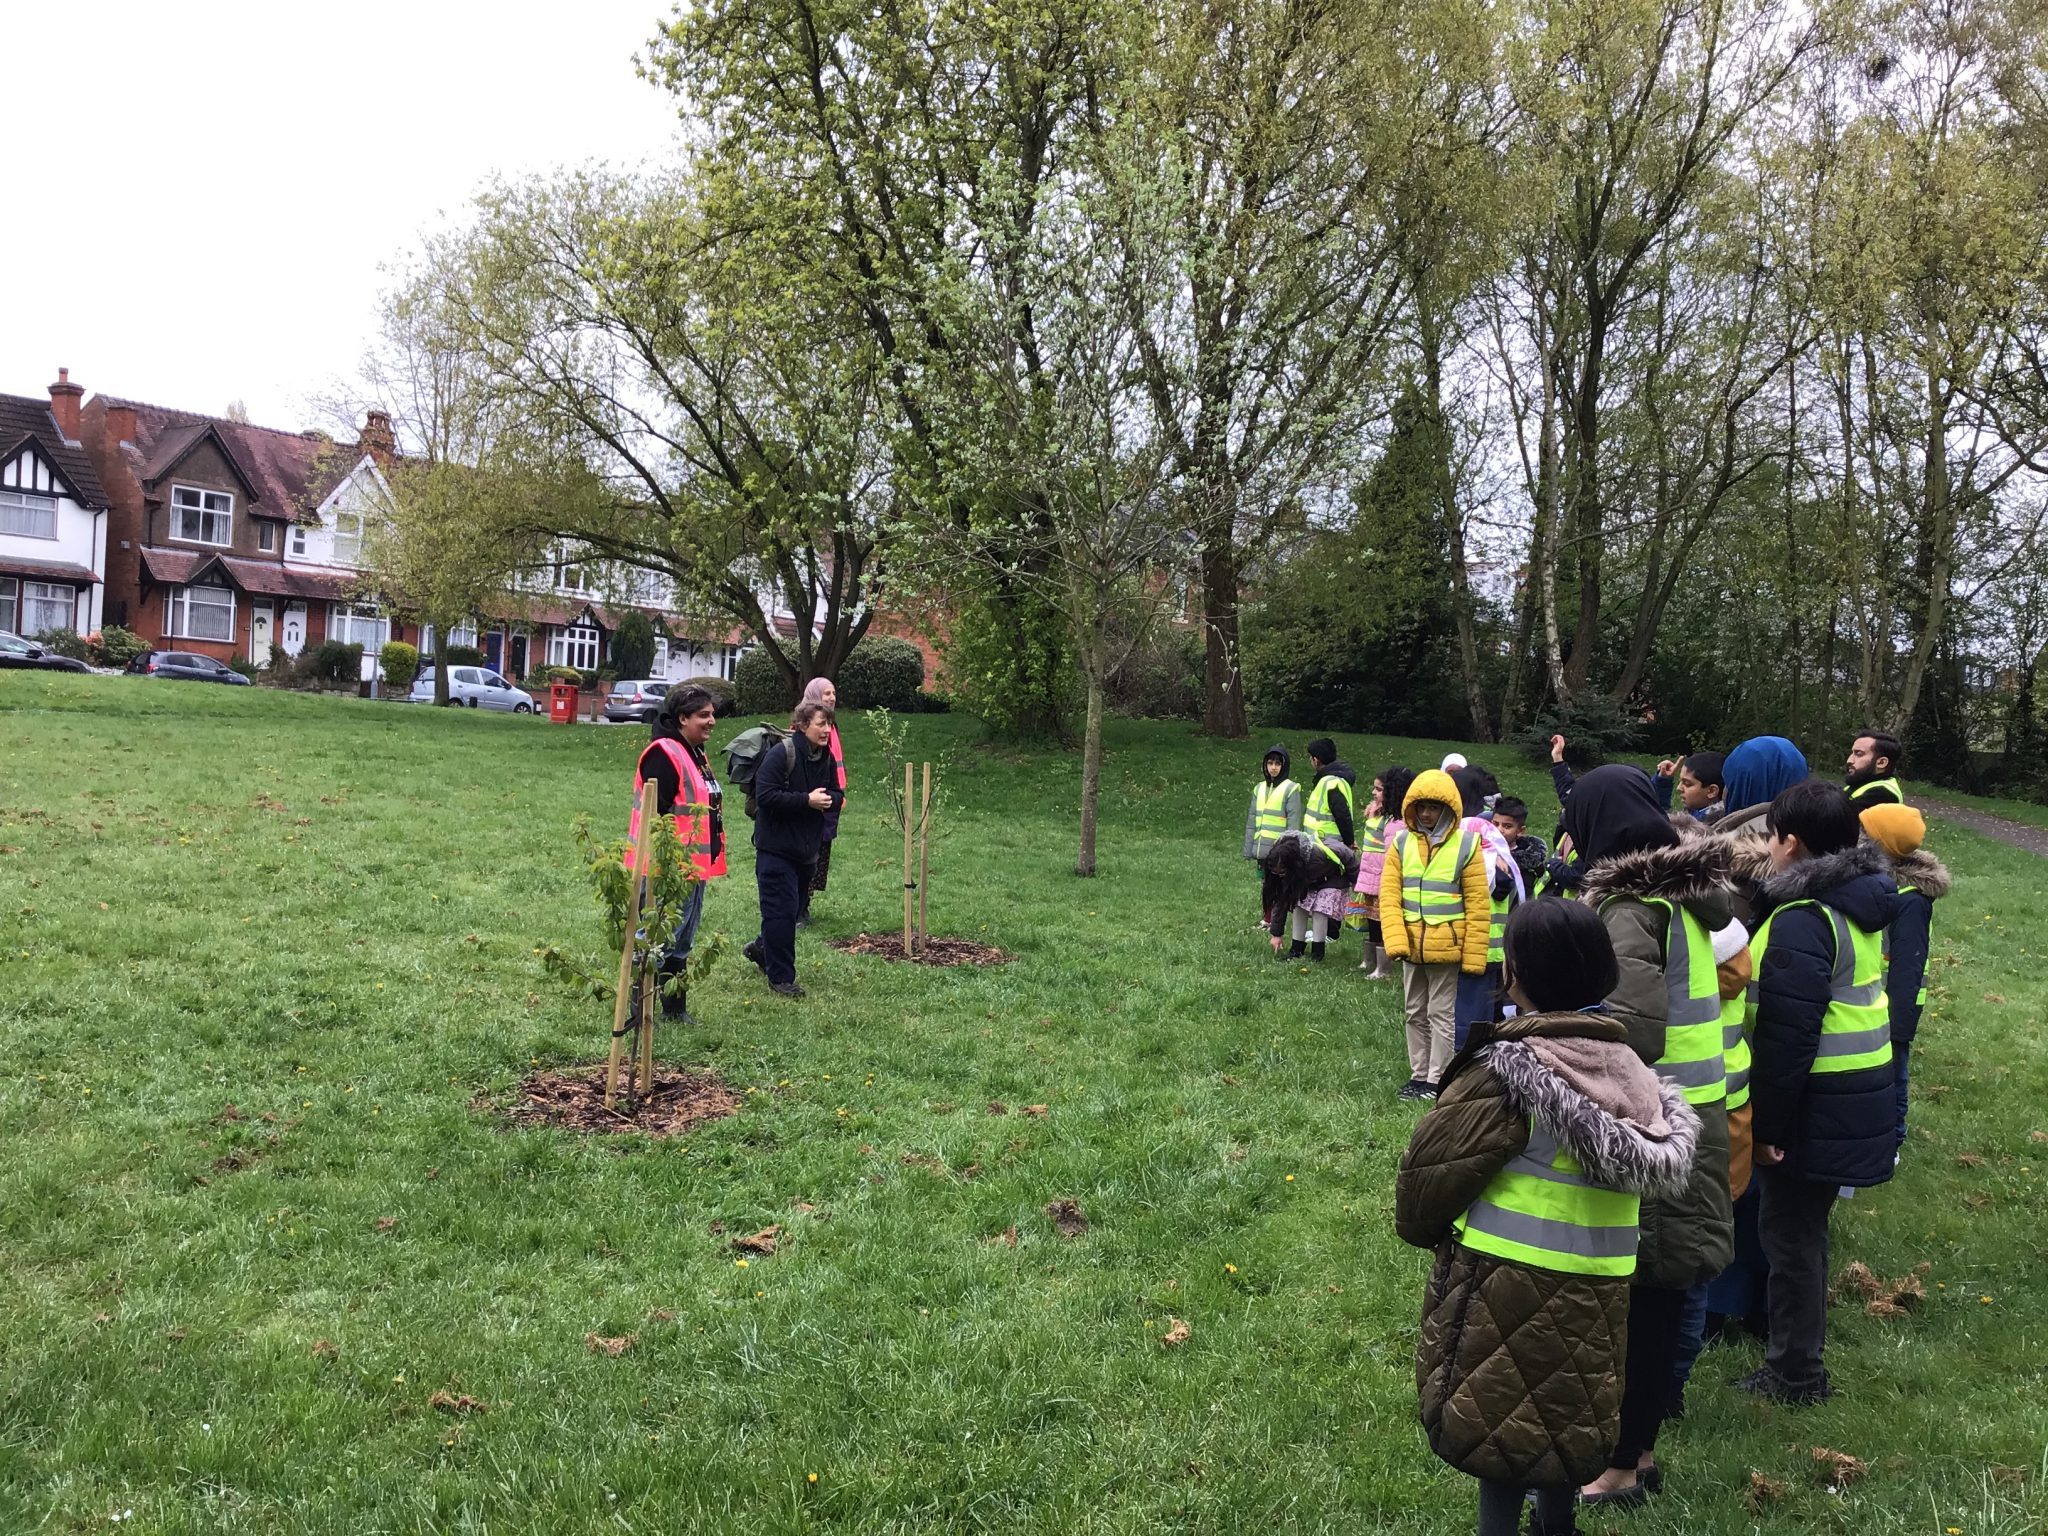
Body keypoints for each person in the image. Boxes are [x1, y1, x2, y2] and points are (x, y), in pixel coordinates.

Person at [1396, 899, 1699, 1536]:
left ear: (1515, 975)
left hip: (1504, 1285)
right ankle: (1556, 1525)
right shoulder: (1637, 1077)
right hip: (1600, 1290)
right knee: (1566, 1417)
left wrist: (1425, 1231)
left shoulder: (1510, 1073)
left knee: (1500, 1432)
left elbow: (1430, 1177)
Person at [1566, 766, 1735, 1507]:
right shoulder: (1690, 894)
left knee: (1645, 1302)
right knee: (1661, 1296)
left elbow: (1630, 1028)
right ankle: (1639, 1449)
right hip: (1696, 1116)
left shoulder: (1633, 906)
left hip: (1657, 1126)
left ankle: (1625, 1464)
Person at [1739, 779, 1902, 1405]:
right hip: (1855, 1094)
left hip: (1815, 1104)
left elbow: (1787, 1038)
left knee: (1791, 1237)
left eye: (1772, 838)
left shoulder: (1805, 918)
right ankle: (1795, 1358)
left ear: (1792, 842)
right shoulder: (1858, 902)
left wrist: (1770, 1129)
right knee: (1806, 1231)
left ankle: (1796, 1374)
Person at [1697, 733, 1812, 1344]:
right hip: (1798, 1042)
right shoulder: (1819, 849)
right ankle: (1767, 1302)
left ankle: (1719, 1304)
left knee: (1731, 1182)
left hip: (1729, 1046)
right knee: (1776, 1185)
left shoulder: (1719, 856)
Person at [1380, 769, 1491, 1099]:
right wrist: (1397, 940)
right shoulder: (1401, 843)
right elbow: (1389, 896)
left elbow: (1478, 904)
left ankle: (1436, 1078)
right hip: (1411, 946)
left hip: (1447, 948)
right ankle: (1418, 1075)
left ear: (1448, 808)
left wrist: (1473, 956)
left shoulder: (1466, 845)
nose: (1427, 813)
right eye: (1422, 807)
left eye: (1433, 807)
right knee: (1414, 1011)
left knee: (1441, 1013)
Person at [627, 683, 727, 1023]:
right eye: (704, 715)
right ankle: (639, 1011)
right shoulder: (663, 753)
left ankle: (674, 1008)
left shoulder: (695, 752)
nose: (712, 721)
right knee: (657, 937)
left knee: (681, 938)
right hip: (664, 867)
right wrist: (669, 862)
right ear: (682, 718)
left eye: (712, 714)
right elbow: (658, 815)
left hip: (692, 865)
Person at [1858, 803, 1948, 1156]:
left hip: (1895, 1005)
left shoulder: (1909, 900)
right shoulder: (1883, 886)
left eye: (1863, 832)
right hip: (1877, 1002)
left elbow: (1907, 966)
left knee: (1895, 1073)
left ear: (1880, 845)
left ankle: (1893, 1139)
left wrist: (1899, 1023)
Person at [743, 701, 845, 998]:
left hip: (807, 851)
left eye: (829, 724)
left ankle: (763, 948)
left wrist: (829, 800)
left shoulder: (825, 757)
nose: (826, 730)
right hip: (775, 849)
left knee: (792, 910)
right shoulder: (781, 754)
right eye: (820, 724)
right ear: (802, 725)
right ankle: (781, 978)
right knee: (781, 913)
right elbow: (766, 796)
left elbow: (838, 794)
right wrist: (806, 800)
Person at [1451, 765, 1522, 1045]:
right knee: (1487, 1011)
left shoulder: (1468, 834)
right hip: (1494, 946)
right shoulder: (1489, 836)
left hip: (1469, 943)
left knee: (1469, 1013)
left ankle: (1467, 1055)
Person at [796, 678, 848, 924]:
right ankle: (799, 906)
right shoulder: (803, 727)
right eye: (826, 693)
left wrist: (838, 794)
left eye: (834, 693)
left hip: (829, 797)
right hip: (810, 799)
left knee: (822, 850)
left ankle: (806, 902)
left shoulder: (831, 726)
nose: (831, 697)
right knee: (807, 851)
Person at [1245, 745, 1303, 929]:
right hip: (1262, 848)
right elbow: (1252, 820)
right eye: (1270, 763)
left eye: (1278, 763)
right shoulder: (1259, 788)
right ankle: (1267, 918)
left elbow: (1293, 822)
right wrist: (1249, 849)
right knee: (1266, 885)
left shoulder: (1291, 789)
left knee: (1280, 885)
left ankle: (1276, 921)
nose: (1273, 767)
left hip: (1279, 850)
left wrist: (1289, 849)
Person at [1491, 797, 1551, 893]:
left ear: (1520, 831)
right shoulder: (1481, 853)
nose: (1499, 830)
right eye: (1495, 824)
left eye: (1507, 826)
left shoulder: (1530, 867)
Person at [1653, 750, 1728, 821]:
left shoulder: (1705, 830)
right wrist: (1663, 781)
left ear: (1712, 791)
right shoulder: (1698, 815)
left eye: (1687, 783)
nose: (1679, 788)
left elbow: (1662, 825)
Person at [1845, 729, 1905, 806]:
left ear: (1881, 763)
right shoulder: (1861, 782)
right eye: (1852, 753)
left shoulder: (1883, 794)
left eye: (1859, 754)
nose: (1849, 760)